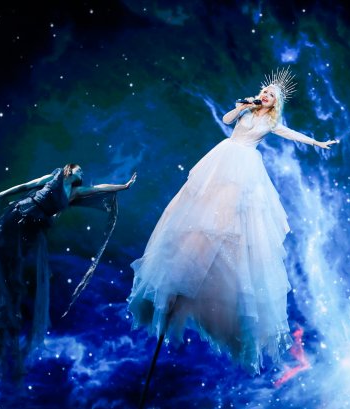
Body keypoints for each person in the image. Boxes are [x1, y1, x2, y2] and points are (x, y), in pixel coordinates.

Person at [127, 68, 338, 374]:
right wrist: (242, 107)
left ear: (276, 102)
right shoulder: (248, 110)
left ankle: (221, 234)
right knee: (204, 199)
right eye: (265, 91)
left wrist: (317, 143)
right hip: (224, 156)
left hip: (246, 164)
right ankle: (198, 242)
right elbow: (227, 121)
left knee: (234, 204)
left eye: (271, 94)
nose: (266, 95)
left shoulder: (271, 122)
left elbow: (291, 134)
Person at [0, 164, 136, 380]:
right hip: (20, 214)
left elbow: (99, 188)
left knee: (10, 258)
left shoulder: (75, 192)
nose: (82, 172)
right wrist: (1, 194)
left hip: (32, 226)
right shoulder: (54, 178)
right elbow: (26, 185)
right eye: (78, 169)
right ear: (69, 170)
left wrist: (123, 186)